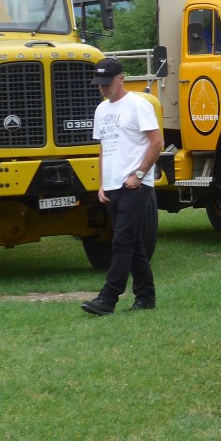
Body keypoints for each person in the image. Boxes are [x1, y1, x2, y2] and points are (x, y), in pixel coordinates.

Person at [82, 57, 164, 315]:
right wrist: (102, 184)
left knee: (121, 241)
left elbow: (157, 143)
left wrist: (139, 174)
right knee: (133, 242)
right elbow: (103, 148)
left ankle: (108, 297)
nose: (104, 88)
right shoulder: (101, 110)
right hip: (113, 186)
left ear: (121, 78)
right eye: (99, 84)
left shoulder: (138, 105)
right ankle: (146, 297)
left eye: (108, 83)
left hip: (135, 185)